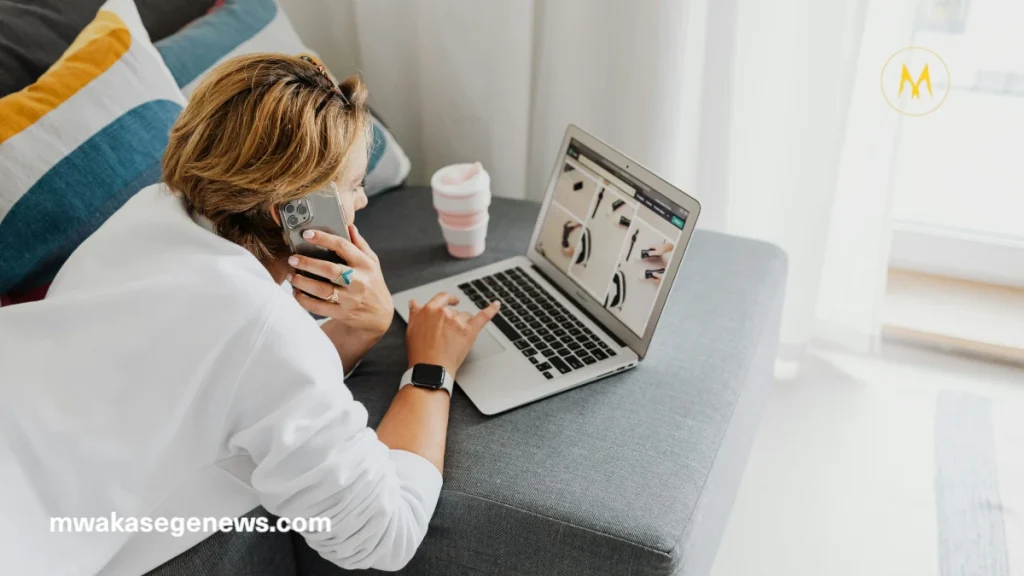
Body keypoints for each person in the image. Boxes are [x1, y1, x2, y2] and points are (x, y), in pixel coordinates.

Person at [0, 54, 498, 575]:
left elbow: (246, 376)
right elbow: (384, 535)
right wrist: (431, 369)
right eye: (354, 185)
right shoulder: (261, 326)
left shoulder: (152, 211)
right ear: (297, 210)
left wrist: (361, 328)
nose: (363, 202)